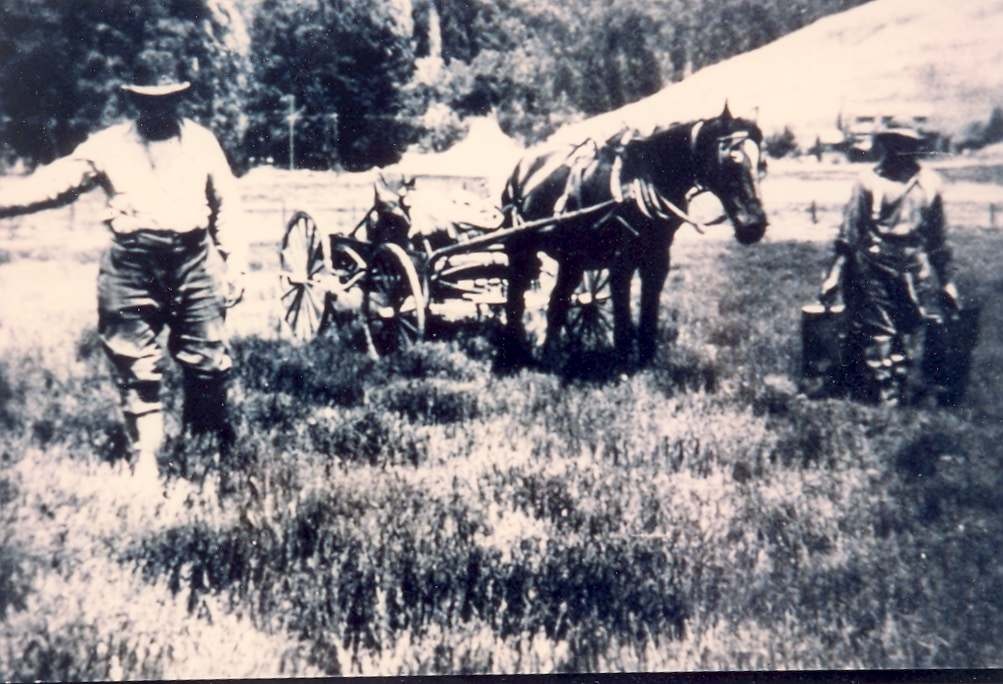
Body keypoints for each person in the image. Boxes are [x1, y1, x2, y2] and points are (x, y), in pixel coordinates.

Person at [0, 51, 247, 486]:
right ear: (134, 99)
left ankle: (206, 455)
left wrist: (235, 262)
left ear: (179, 98)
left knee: (208, 362)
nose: (158, 106)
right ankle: (146, 463)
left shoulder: (202, 142)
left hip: (195, 259)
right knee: (135, 365)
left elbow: (227, 203)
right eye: (148, 98)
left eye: (167, 97)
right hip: (132, 263)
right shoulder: (109, 145)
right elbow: (56, 184)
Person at [818, 120, 959, 405]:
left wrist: (947, 282)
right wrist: (834, 275)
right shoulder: (868, 181)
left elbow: (938, 239)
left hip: (914, 266)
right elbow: (849, 232)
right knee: (879, 331)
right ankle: (884, 397)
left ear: (916, 147)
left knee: (910, 327)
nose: (900, 150)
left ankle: (905, 388)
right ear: (885, 145)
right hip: (874, 263)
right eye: (894, 143)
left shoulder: (931, 183)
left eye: (907, 144)